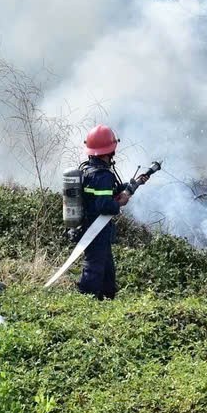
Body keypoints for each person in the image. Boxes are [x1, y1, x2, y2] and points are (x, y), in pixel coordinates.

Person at [77, 124, 131, 300]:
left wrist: (126, 187)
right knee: (94, 267)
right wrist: (120, 203)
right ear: (110, 150)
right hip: (96, 230)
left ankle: (107, 297)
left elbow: (104, 193)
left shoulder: (88, 170)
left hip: (92, 227)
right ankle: (85, 301)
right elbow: (104, 205)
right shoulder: (103, 175)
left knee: (107, 267)